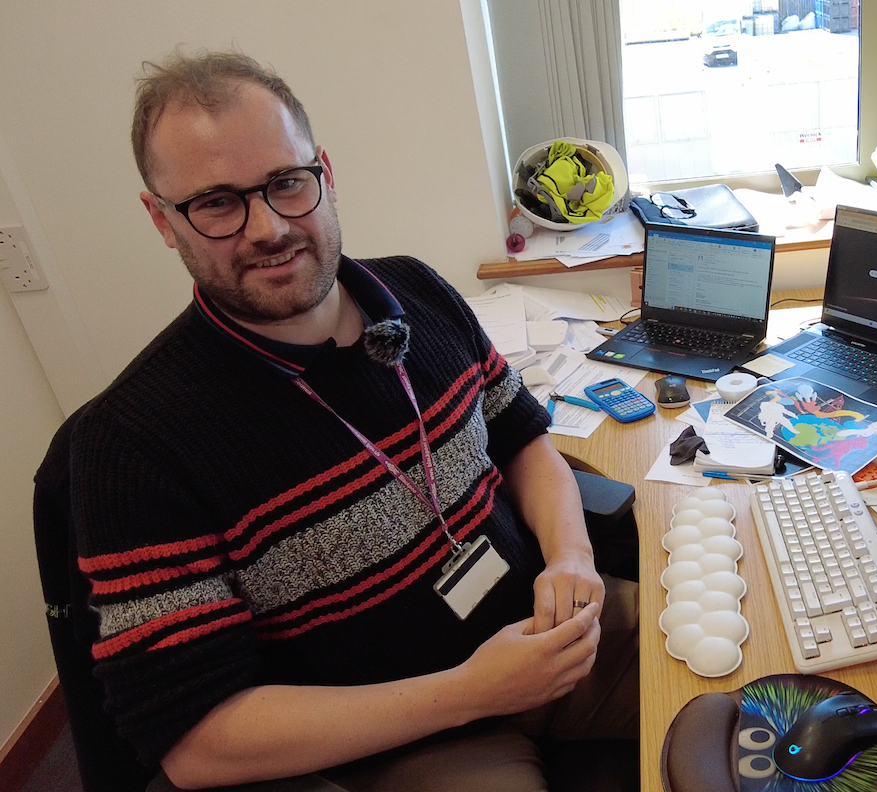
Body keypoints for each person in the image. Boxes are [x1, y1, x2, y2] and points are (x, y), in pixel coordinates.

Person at [60, 50, 639, 791]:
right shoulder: (131, 445)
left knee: (751, 675)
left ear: (324, 173)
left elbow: (523, 439)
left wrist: (570, 559)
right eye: (215, 203)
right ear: (161, 220)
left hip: (544, 629)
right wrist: (473, 692)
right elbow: (195, 743)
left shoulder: (417, 291)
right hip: (401, 736)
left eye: (286, 183)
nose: (267, 227)